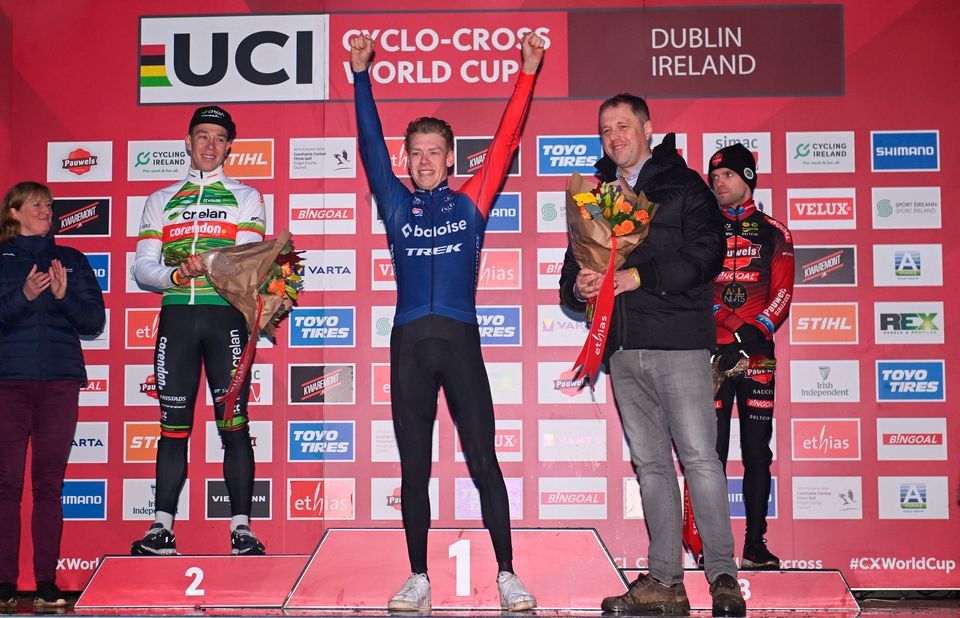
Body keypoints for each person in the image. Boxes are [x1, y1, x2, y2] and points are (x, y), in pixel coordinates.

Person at [350, 32, 543, 612]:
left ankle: (508, 574)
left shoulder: (473, 201)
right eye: (417, 152)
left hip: (459, 341)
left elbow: (508, 139)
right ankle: (418, 578)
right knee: (414, 469)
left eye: (436, 150)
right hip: (409, 342)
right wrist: (361, 76)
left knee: (483, 460)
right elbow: (368, 142)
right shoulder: (394, 201)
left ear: (452, 158)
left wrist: (528, 71)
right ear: (406, 160)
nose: (426, 159)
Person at [559, 95, 746, 617]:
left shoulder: (684, 185)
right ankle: (665, 580)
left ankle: (724, 577)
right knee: (650, 467)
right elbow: (567, 278)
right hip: (620, 348)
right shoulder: (593, 195)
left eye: (623, 125)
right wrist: (582, 285)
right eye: (605, 129)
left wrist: (637, 277)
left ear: (647, 128)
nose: (614, 136)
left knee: (700, 460)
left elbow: (709, 255)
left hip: (680, 342)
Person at [131, 105, 267, 556]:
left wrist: (203, 264)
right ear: (187, 142)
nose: (209, 145)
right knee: (172, 427)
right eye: (202, 136)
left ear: (230, 147)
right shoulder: (161, 198)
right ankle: (161, 527)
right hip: (177, 321)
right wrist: (174, 275)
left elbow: (244, 261)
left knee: (233, 424)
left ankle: (242, 528)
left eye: (219, 138)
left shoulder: (246, 196)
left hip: (224, 318)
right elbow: (142, 269)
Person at [0, 182, 105, 608]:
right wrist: (23, 296)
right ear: (13, 213)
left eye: (49, 204)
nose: (46, 210)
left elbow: (93, 320)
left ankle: (46, 583)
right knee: (5, 485)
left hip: (59, 382)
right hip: (8, 382)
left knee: (48, 484)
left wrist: (62, 296)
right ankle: (5, 583)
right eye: (36, 204)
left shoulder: (73, 260)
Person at [708, 144, 794, 570]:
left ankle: (756, 545)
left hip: (758, 355)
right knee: (712, 453)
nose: (719, 184)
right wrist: (727, 324)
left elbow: (783, 292)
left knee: (758, 452)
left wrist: (753, 331)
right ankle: (712, 546)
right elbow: (696, 285)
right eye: (714, 178)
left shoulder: (776, 231)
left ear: (748, 177)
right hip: (715, 356)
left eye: (726, 176)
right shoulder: (703, 229)